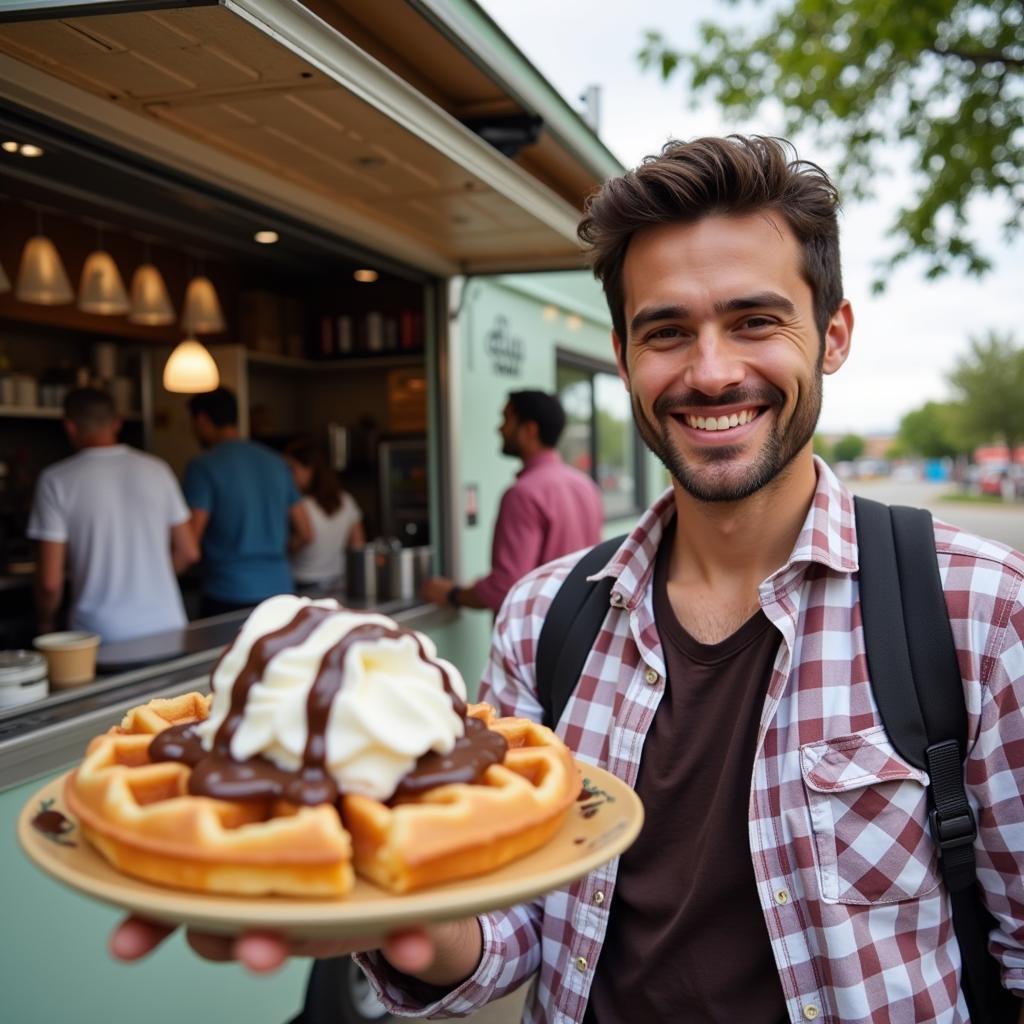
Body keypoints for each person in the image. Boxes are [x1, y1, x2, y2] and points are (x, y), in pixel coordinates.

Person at [110, 137, 1024, 1023]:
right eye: (666, 331)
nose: (711, 372)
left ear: (831, 335)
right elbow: (512, 929)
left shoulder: (977, 610)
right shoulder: (544, 617)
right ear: (624, 358)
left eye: (754, 321)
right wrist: (405, 921)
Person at [27, 387, 198, 644]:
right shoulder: (158, 470)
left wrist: (45, 623)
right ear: (117, 422)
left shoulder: (56, 480)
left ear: (70, 427)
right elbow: (189, 552)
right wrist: (150, 582)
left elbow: (50, 582)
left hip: (100, 633)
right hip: (167, 624)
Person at [421, 390, 604, 613]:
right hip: (576, 625)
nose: (500, 428)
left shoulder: (523, 494)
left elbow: (505, 588)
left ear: (529, 430)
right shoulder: (586, 486)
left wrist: (452, 594)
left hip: (537, 635)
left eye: (506, 419)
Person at [183, 387, 312, 617]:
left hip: (228, 591)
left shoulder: (203, 467)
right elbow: (306, 532)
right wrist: (273, 555)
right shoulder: (276, 463)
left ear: (202, 420)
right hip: (280, 589)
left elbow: (191, 538)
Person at [283, 436, 365, 591]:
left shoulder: (298, 504)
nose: (287, 476)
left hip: (303, 583)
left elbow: (305, 536)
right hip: (339, 583)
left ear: (310, 469)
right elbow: (357, 545)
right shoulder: (345, 500)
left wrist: (285, 549)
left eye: (291, 469)